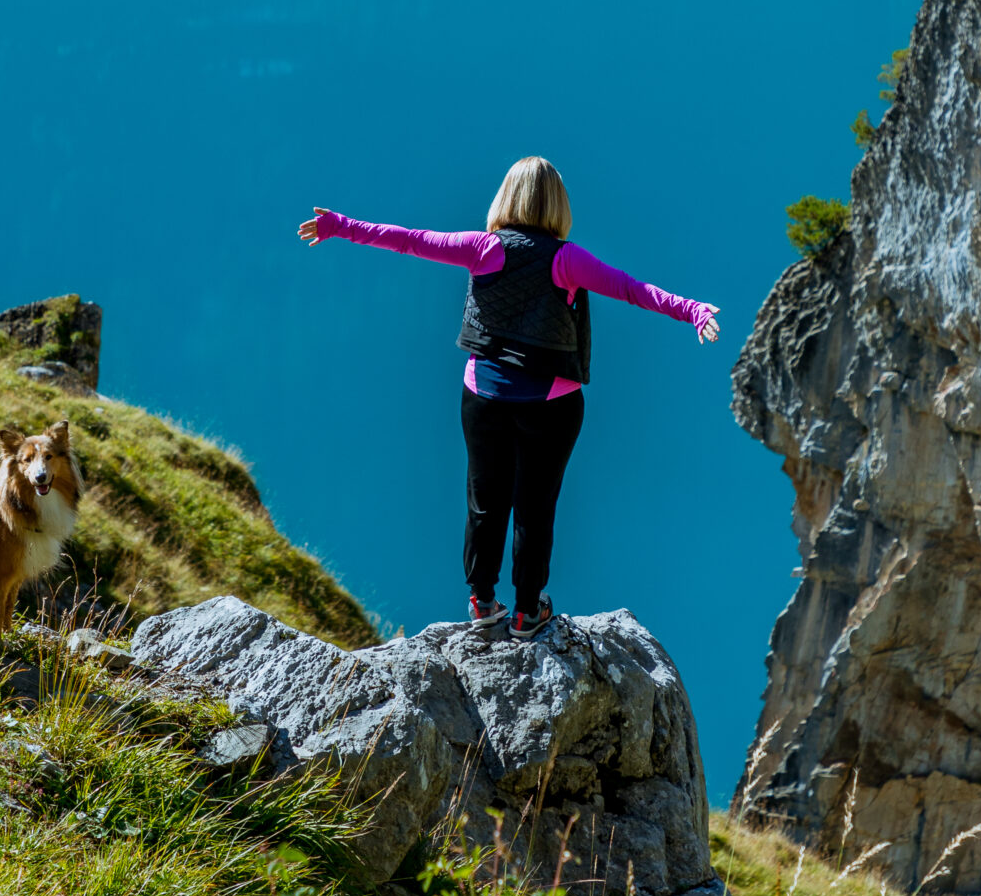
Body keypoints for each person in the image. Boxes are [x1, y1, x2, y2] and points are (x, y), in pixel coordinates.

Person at [298, 156, 718, 644]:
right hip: (550, 403)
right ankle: (525, 613)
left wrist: (339, 226)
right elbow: (630, 289)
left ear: (506, 196)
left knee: (485, 498)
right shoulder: (568, 259)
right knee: (535, 505)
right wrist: (692, 310)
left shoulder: (483, 248)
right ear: (557, 205)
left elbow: (409, 240)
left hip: (484, 397)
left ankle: (481, 601)